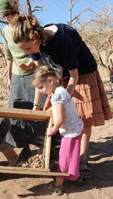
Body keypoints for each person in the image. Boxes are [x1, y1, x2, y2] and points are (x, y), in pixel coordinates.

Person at [10, 14, 113, 177]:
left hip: (82, 72)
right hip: (61, 75)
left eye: (28, 48)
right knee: (54, 112)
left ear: (36, 38)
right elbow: (43, 75)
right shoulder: (34, 48)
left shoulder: (62, 39)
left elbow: (74, 76)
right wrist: (37, 106)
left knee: (83, 116)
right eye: (24, 50)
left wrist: (63, 100)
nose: (28, 52)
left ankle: (82, 158)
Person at [0, 0, 46, 161]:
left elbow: (38, 50)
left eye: (12, 13)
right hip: (17, 77)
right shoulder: (4, 31)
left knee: (37, 111)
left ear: (17, 10)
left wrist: (31, 64)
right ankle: (24, 147)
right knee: (16, 113)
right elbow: (8, 55)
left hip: (33, 72)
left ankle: (44, 146)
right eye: (6, 14)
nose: (10, 17)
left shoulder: (27, 24)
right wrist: (9, 78)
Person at [32, 65, 83, 195]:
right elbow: (56, 110)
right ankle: (74, 175)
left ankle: (58, 184)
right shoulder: (60, 90)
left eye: (41, 88)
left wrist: (52, 131)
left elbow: (59, 119)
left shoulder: (56, 96)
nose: (42, 91)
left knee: (64, 158)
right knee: (72, 155)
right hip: (74, 127)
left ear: (50, 81)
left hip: (70, 132)